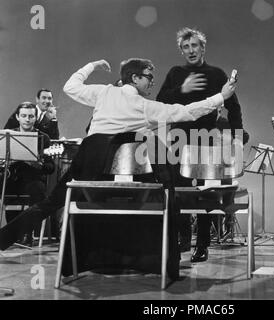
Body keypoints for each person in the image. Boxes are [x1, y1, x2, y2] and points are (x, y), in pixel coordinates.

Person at [0, 57, 236, 279]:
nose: (152, 81)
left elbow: (71, 86)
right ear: (135, 78)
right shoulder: (143, 106)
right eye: (148, 77)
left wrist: (92, 65)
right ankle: (138, 257)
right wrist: (221, 97)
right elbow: (185, 112)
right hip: (117, 171)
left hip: (87, 167)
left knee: (50, 203)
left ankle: (3, 239)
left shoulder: (103, 92)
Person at [156, 27, 249, 263]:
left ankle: (203, 244)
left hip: (207, 140)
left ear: (202, 47)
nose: (190, 50)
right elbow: (160, 103)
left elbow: (234, 108)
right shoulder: (176, 73)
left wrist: (237, 138)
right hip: (178, 139)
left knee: (204, 194)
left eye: (194, 46)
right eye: (185, 47)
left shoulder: (217, 74)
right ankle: (181, 241)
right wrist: (181, 90)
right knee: (178, 192)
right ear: (181, 50)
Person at [1, 102, 54, 245]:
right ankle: (11, 234)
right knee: (5, 185)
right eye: (23, 116)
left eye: (31, 116)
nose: (27, 119)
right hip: (11, 178)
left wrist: (38, 164)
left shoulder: (43, 138)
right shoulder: (7, 136)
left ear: (35, 118)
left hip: (32, 180)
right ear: (17, 117)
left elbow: (50, 168)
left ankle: (27, 232)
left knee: (37, 188)